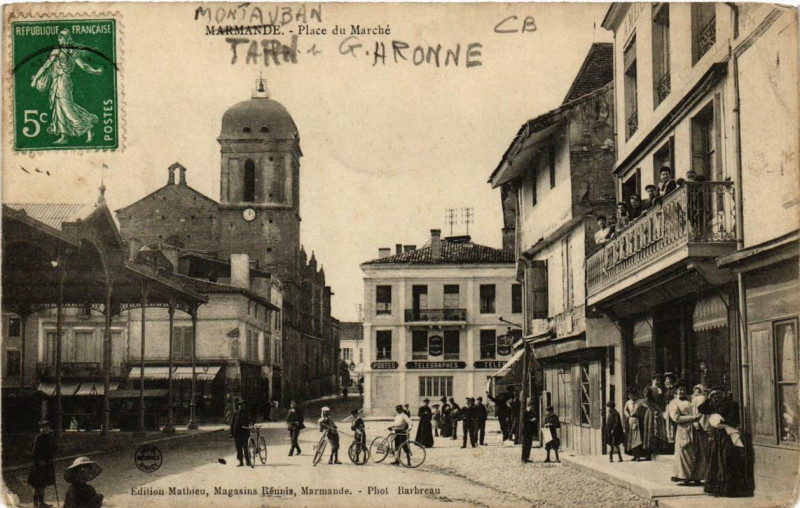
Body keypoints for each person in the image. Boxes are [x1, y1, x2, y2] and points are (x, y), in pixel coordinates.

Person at [30, 29, 103, 145]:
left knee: (66, 107)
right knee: (58, 107)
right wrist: (95, 71)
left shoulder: (58, 51)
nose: (59, 39)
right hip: (60, 81)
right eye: (59, 37)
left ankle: (88, 128)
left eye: (61, 37)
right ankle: (64, 136)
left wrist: (35, 79)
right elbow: (84, 66)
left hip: (62, 81)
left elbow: (46, 65)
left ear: (66, 38)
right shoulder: (72, 52)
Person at [697, 390, 754, 497]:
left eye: (721, 393)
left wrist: (721, 422)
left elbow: (734, 420)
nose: (719, 396)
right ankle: (715, 488)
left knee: (726, 459)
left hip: (726, 436)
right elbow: (701, 409)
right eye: (716, 394)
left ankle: (728, 489)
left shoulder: (732, 404)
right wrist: (708, 398)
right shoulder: (714, 404)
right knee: (714, 459)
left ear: (727, 394)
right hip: (716, 436)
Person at [668, 383, 703, 485]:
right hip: (683, 429)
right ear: (676, 391)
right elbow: (676, 418)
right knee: (685, 452)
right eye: (680, 390)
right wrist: (692, 418)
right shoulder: (674, 403)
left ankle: (696, 476)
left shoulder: (690, 401)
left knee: (696, 452)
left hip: (694, 428)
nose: (682, 392)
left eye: (684, 389)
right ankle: (684, 476)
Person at [28, 420, 57, 508]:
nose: (46, 429)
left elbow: (53, 449)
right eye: (44, 427)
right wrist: (39, 460)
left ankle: (41, 503)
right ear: (41, 429)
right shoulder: (38, 438)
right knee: (37, 484)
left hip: (47, 464)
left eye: (47, 427)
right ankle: (35, 503)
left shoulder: (49, 437)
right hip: (38, 465)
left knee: (43, 484)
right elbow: (33, 452)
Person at [637, 386, 666, 459]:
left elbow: (655, 407)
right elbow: (651, 407)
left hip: (651, 415)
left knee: (651, 431)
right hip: (649, 416)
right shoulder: (645, 401)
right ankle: (649, 451)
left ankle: (650, 450)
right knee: (649, 431)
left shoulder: (650, 401)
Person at [230, 397, 251, 467]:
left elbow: (250, 420)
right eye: (239, 405)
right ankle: (240, 461)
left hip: (245, 433)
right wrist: (231, 432)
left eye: (242, 405)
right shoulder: (235, 413)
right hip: (237, 433)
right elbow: (232, 423)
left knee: (245, 447)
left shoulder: (247, 412)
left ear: (244, 405)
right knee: (238, 448)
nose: (240, 406)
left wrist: (251, 425)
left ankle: (248, 461)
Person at [623, 389, 644, 461]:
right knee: (631, 439)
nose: (630, 396)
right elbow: (625, 410)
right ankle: (634, 455)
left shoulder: (640, 401)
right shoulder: (628, 402)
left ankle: (638, 455)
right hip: (630, 421)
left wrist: (640, 413)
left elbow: (645, 408)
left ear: (634, 395)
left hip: (638, 421)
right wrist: (627, 415)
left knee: (637, 438)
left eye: (631, 395)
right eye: (629, 395)